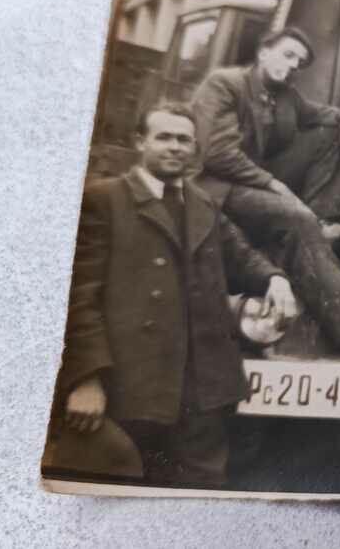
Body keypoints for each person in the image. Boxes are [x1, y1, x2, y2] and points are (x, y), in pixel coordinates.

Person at [53, 103, 298, 486]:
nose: (174, 147)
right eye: (163, 137)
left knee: (199, 499)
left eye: (184, 139)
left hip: (203, 392)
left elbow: (241, 254)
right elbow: (79, 300)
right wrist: (86, 379)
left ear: (195, 148)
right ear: (140, 142)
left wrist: (275, 279)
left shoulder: (202, 203)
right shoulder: (105, 200)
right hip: (131, 387)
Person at [190, 26, 340, 359]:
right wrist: (276, 187)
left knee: (328, 135)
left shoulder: (286, 98)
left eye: (300, 62)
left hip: (257, 188)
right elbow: (218, 154)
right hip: (219, 188)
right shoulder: (225, 84)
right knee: (294, 216)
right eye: (288, 54)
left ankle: (317, 225)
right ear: (264, 51)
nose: (294, 65)